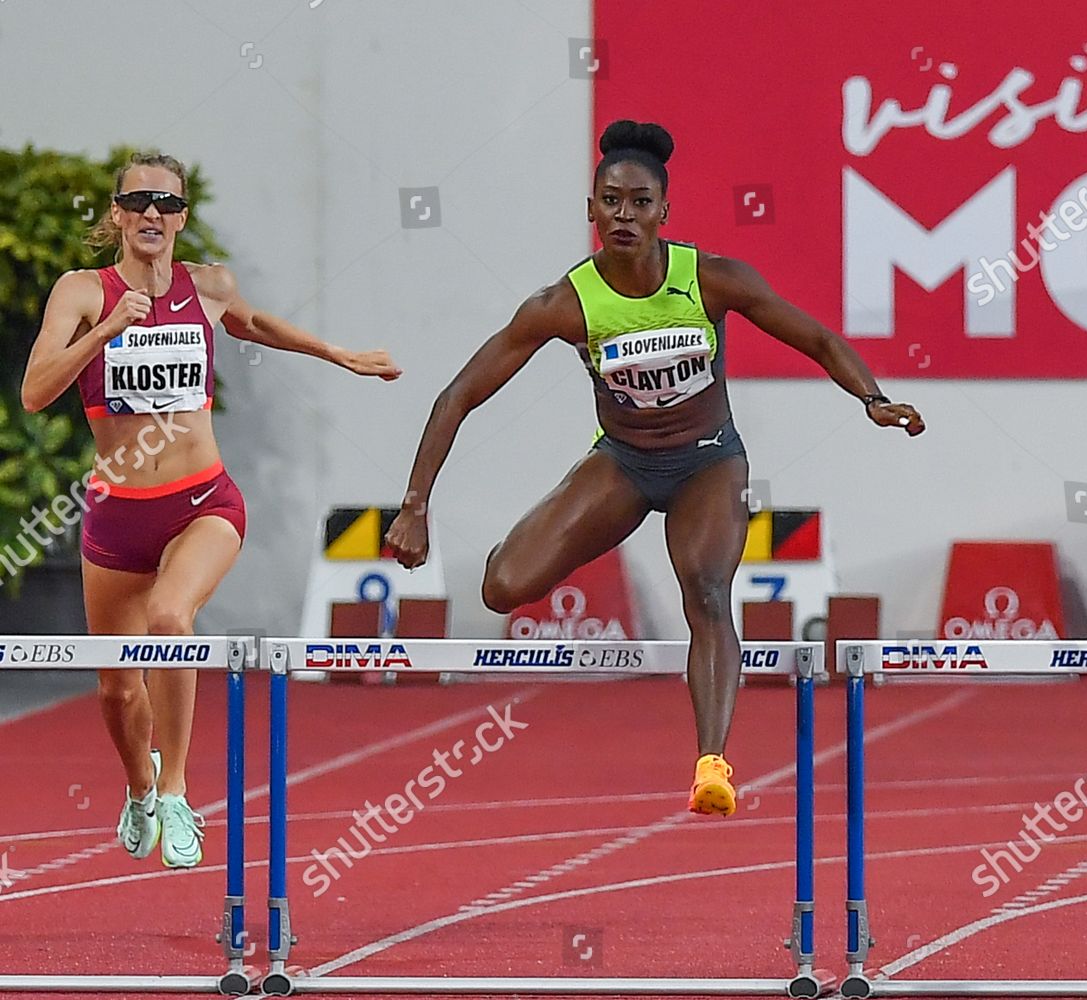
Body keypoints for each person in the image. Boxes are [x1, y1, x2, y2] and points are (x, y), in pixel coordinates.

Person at [385, 120, 923, 817]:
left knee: (705, 592)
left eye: (640, 203)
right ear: (590, 211)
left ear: (665, 212)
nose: (625, 216)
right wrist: (415, 503)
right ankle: (532, 536)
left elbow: (817, 337)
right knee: (503, 586)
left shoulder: (711, 280)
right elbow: (459, 394)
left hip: (707, 464)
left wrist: (873, 399)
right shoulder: (565, 304)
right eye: (611, 202)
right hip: (625, 463)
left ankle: (712, 765)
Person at [22, 152, 401, 867]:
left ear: (183, 218)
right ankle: (140, 787)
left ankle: (176, 792)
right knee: (116, 692)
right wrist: (105, 332)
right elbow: (34, 392)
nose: (152, 215)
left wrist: (341, 355)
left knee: (172, 619)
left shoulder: (209, 286)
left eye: (166, 204)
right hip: (117, 516)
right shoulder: (82, 292)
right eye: (138, 202)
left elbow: (258, 324)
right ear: (116, 214)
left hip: (203, 503)